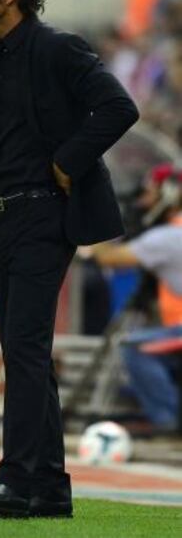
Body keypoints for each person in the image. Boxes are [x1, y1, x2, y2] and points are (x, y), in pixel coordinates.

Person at [0, 0, 139, 519]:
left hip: (46, 213)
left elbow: (118, 106)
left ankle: (14, 480)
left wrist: (67, 161)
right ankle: (47, 486)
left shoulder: (59, 48)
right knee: (25, 352)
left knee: (23, 350)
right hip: (1, 219)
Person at [92, 164, 182, 432]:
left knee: (134, 347)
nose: (143, 201)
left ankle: (167, 422)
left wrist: (97, 225)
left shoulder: (169, 236)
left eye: (150, 194)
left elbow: (109, 258)